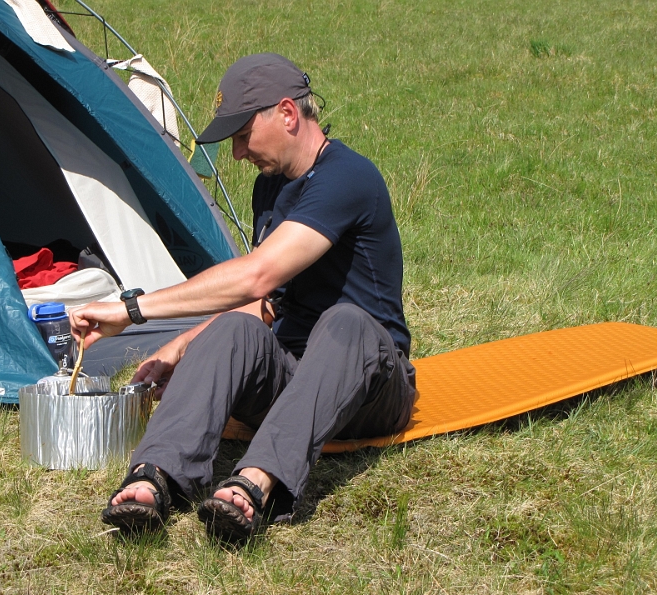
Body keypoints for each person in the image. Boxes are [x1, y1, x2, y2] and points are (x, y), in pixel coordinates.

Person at [69, 53, 416, 543]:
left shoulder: (348, 178)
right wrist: (179, 347)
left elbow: (256, 275)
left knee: (346, 321)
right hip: (296, 377)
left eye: (240, 134)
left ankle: (254, 483)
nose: (234, 154)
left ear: (288, 114)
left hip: (370, 385)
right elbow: (266, 300)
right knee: (233, 327)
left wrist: (130, 311)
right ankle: (155, 477)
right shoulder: (269, 189)